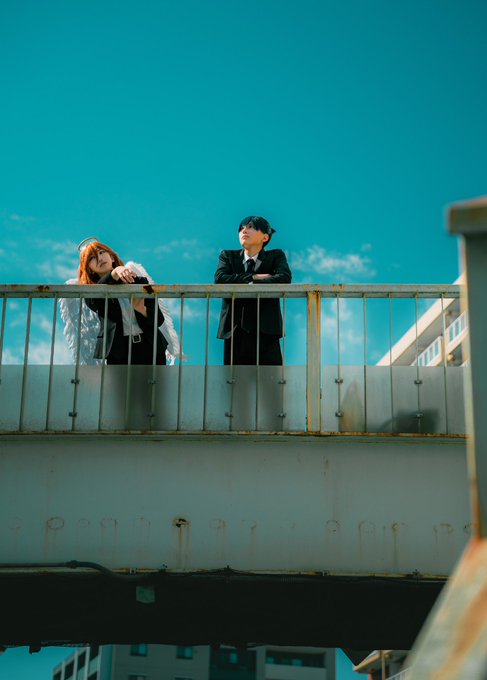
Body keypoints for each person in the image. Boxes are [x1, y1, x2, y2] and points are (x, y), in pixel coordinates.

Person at [60, 238, 180, 365]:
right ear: (89, 269)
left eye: (101, 252)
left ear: (112, 257)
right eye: (92, 258)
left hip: (151, 348)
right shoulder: (91, 292)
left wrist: (141, 309)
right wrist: (115, 273)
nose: (100, 258)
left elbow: (159, 319)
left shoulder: (139, 281)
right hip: (119, 353)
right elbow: (95, 301)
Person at [214, 216, 292, 365]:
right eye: (241, 228)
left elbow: (284, 278)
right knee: (234, 379)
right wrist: (254, 277)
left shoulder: (275, 256)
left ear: (265, 237)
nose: (244, 231)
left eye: (250, 227)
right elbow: (220, 279)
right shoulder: (228, 256)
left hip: (266, 330)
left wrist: (244, 281)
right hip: (234, 331)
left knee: (271, 378)